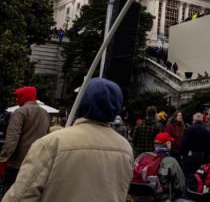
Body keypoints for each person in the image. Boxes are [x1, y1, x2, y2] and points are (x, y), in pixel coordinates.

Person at [2, 78, 133, 201]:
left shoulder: (52, 143)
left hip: (20, 162)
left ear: (81, 102)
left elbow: (20, 196)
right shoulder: (125, 148)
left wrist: (4, 157)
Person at [0, 86, 49, 191]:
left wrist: (3, 159)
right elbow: (47, 136)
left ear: (25, 96)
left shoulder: (20, 112)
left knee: (8, 193)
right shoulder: (45, 113)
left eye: (18, 96)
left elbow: (12, 138)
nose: (16, 99)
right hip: (36, 162)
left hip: (17, 164)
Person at [181, 112, 210, 177]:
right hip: (201, 156)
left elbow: (184, 144)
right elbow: (209, 145)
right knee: (199, 174)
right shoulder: (206, 130)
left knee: (188, 174)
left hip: (189, 156)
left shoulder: (188, 129)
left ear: (193, 120)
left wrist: (183, 154)